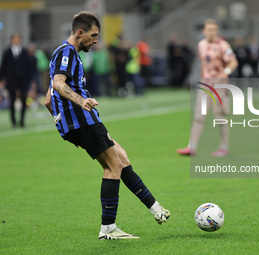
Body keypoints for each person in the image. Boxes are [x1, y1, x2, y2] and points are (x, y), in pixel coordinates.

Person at [44, 11, 170, 240]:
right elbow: (58, 85)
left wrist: (65, 128)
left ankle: (156, 209)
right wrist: (81, 103)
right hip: (84, 120)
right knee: (113, 167)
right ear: (80, 33)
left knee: (122, 158)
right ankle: (108, 228)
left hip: (81, 123)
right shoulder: (67, 53)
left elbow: (47, 98)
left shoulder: (60, 54)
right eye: (93, 36)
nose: (95, 41)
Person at [177, 19, 238, 157]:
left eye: (214, 29)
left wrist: (225, 73)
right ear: (204, 31)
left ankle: (224, 147)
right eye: (209, 29)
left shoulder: (223, 45)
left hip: (219, 86)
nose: (212, 32)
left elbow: (233, 62)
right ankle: (191, 147)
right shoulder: (201, 45)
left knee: (220, 116)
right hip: (205, 86)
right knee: (198, 116)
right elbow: (204, 65)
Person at [0, 33, 31, 128]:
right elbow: (3, 67)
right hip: (11, 80)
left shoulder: (24, 51)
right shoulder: (7, 52)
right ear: (11, 40)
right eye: (15, 38)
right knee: (12, 100)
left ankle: (22, 121)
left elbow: (28, 67)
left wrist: (29, 79)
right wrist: (1, 79)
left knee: (23, 99)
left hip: (23, 80)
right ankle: (13, 121)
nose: (17, 40)